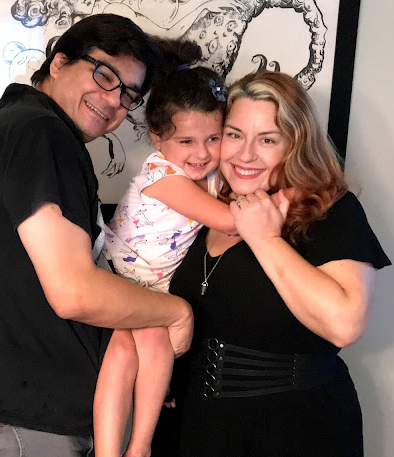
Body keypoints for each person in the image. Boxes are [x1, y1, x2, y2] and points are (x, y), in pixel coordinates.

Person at [0, 14, 195, 457]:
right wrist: (177, 313)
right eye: (104, 75)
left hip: (10, 421)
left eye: (128, 95)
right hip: (22, 427)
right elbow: (74, 292)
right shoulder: (40, 132)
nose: (113, 101)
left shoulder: (21, 126)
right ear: (60, 62)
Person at [152, 71, 391, 456]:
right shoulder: (206, 207)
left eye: (267, 139)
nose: (245, 154)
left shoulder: (329, 211)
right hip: (193, 424)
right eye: (234, 135)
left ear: (295, 144)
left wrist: (265, 238)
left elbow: (344, 325)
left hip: (291, 429)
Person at [94, 39, 234, 457]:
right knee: (141, 345)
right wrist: (280, 206)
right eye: (186, 141)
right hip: (121, 276)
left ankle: (126, 448)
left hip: (149, 285)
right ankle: (128, 448)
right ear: (158, 138)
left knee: (136, 348)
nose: (202, 153)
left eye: (213, 138)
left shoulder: (211, 174)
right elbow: (229, 221)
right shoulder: (163, 176)